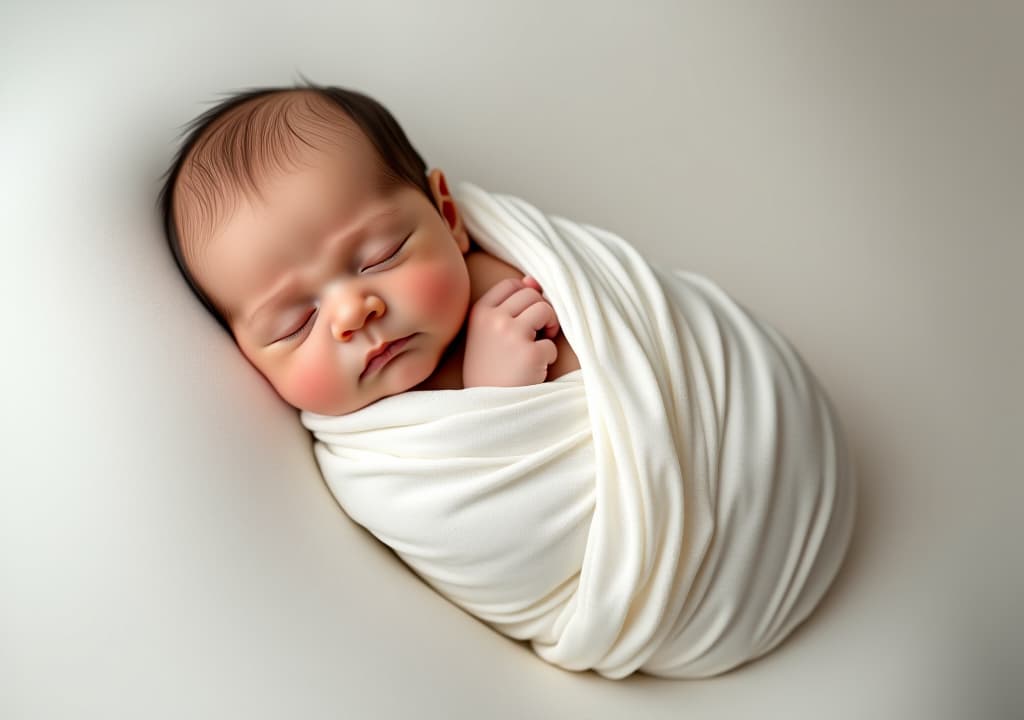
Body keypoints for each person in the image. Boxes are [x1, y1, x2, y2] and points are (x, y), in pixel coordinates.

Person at [159, 82, 580, 416]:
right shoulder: (367, 453)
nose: (352, 313)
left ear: (448, 218)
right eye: (295, 323)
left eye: (383, 255)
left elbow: (616, 407)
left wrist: (503, 405)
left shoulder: (505, 293)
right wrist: (492, 398)